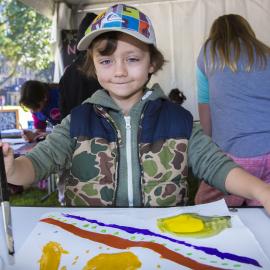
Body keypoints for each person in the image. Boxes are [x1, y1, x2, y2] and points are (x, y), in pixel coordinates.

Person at [2, 4, 270, 212]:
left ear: (152, 62)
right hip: (91, 242)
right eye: (106, 61)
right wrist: (12, 168)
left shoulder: (180, 122)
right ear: (92, 64)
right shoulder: (77, 121)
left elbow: (218, 166)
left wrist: (261, 192)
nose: (119, 71)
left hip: (161, 242)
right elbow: (37, 163)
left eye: (132, 59)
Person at [195, 14, 270, 206]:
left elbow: (205, 105)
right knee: (261, 214)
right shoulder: (265, 52)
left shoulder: (208, 52)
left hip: (234, 155)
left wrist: (208, 148)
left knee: (209, 209)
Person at [59, 12, 101, 119]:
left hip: (75, 129)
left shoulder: (67, 73)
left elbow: (64, 111)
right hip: (102, 129)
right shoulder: (101, 66)